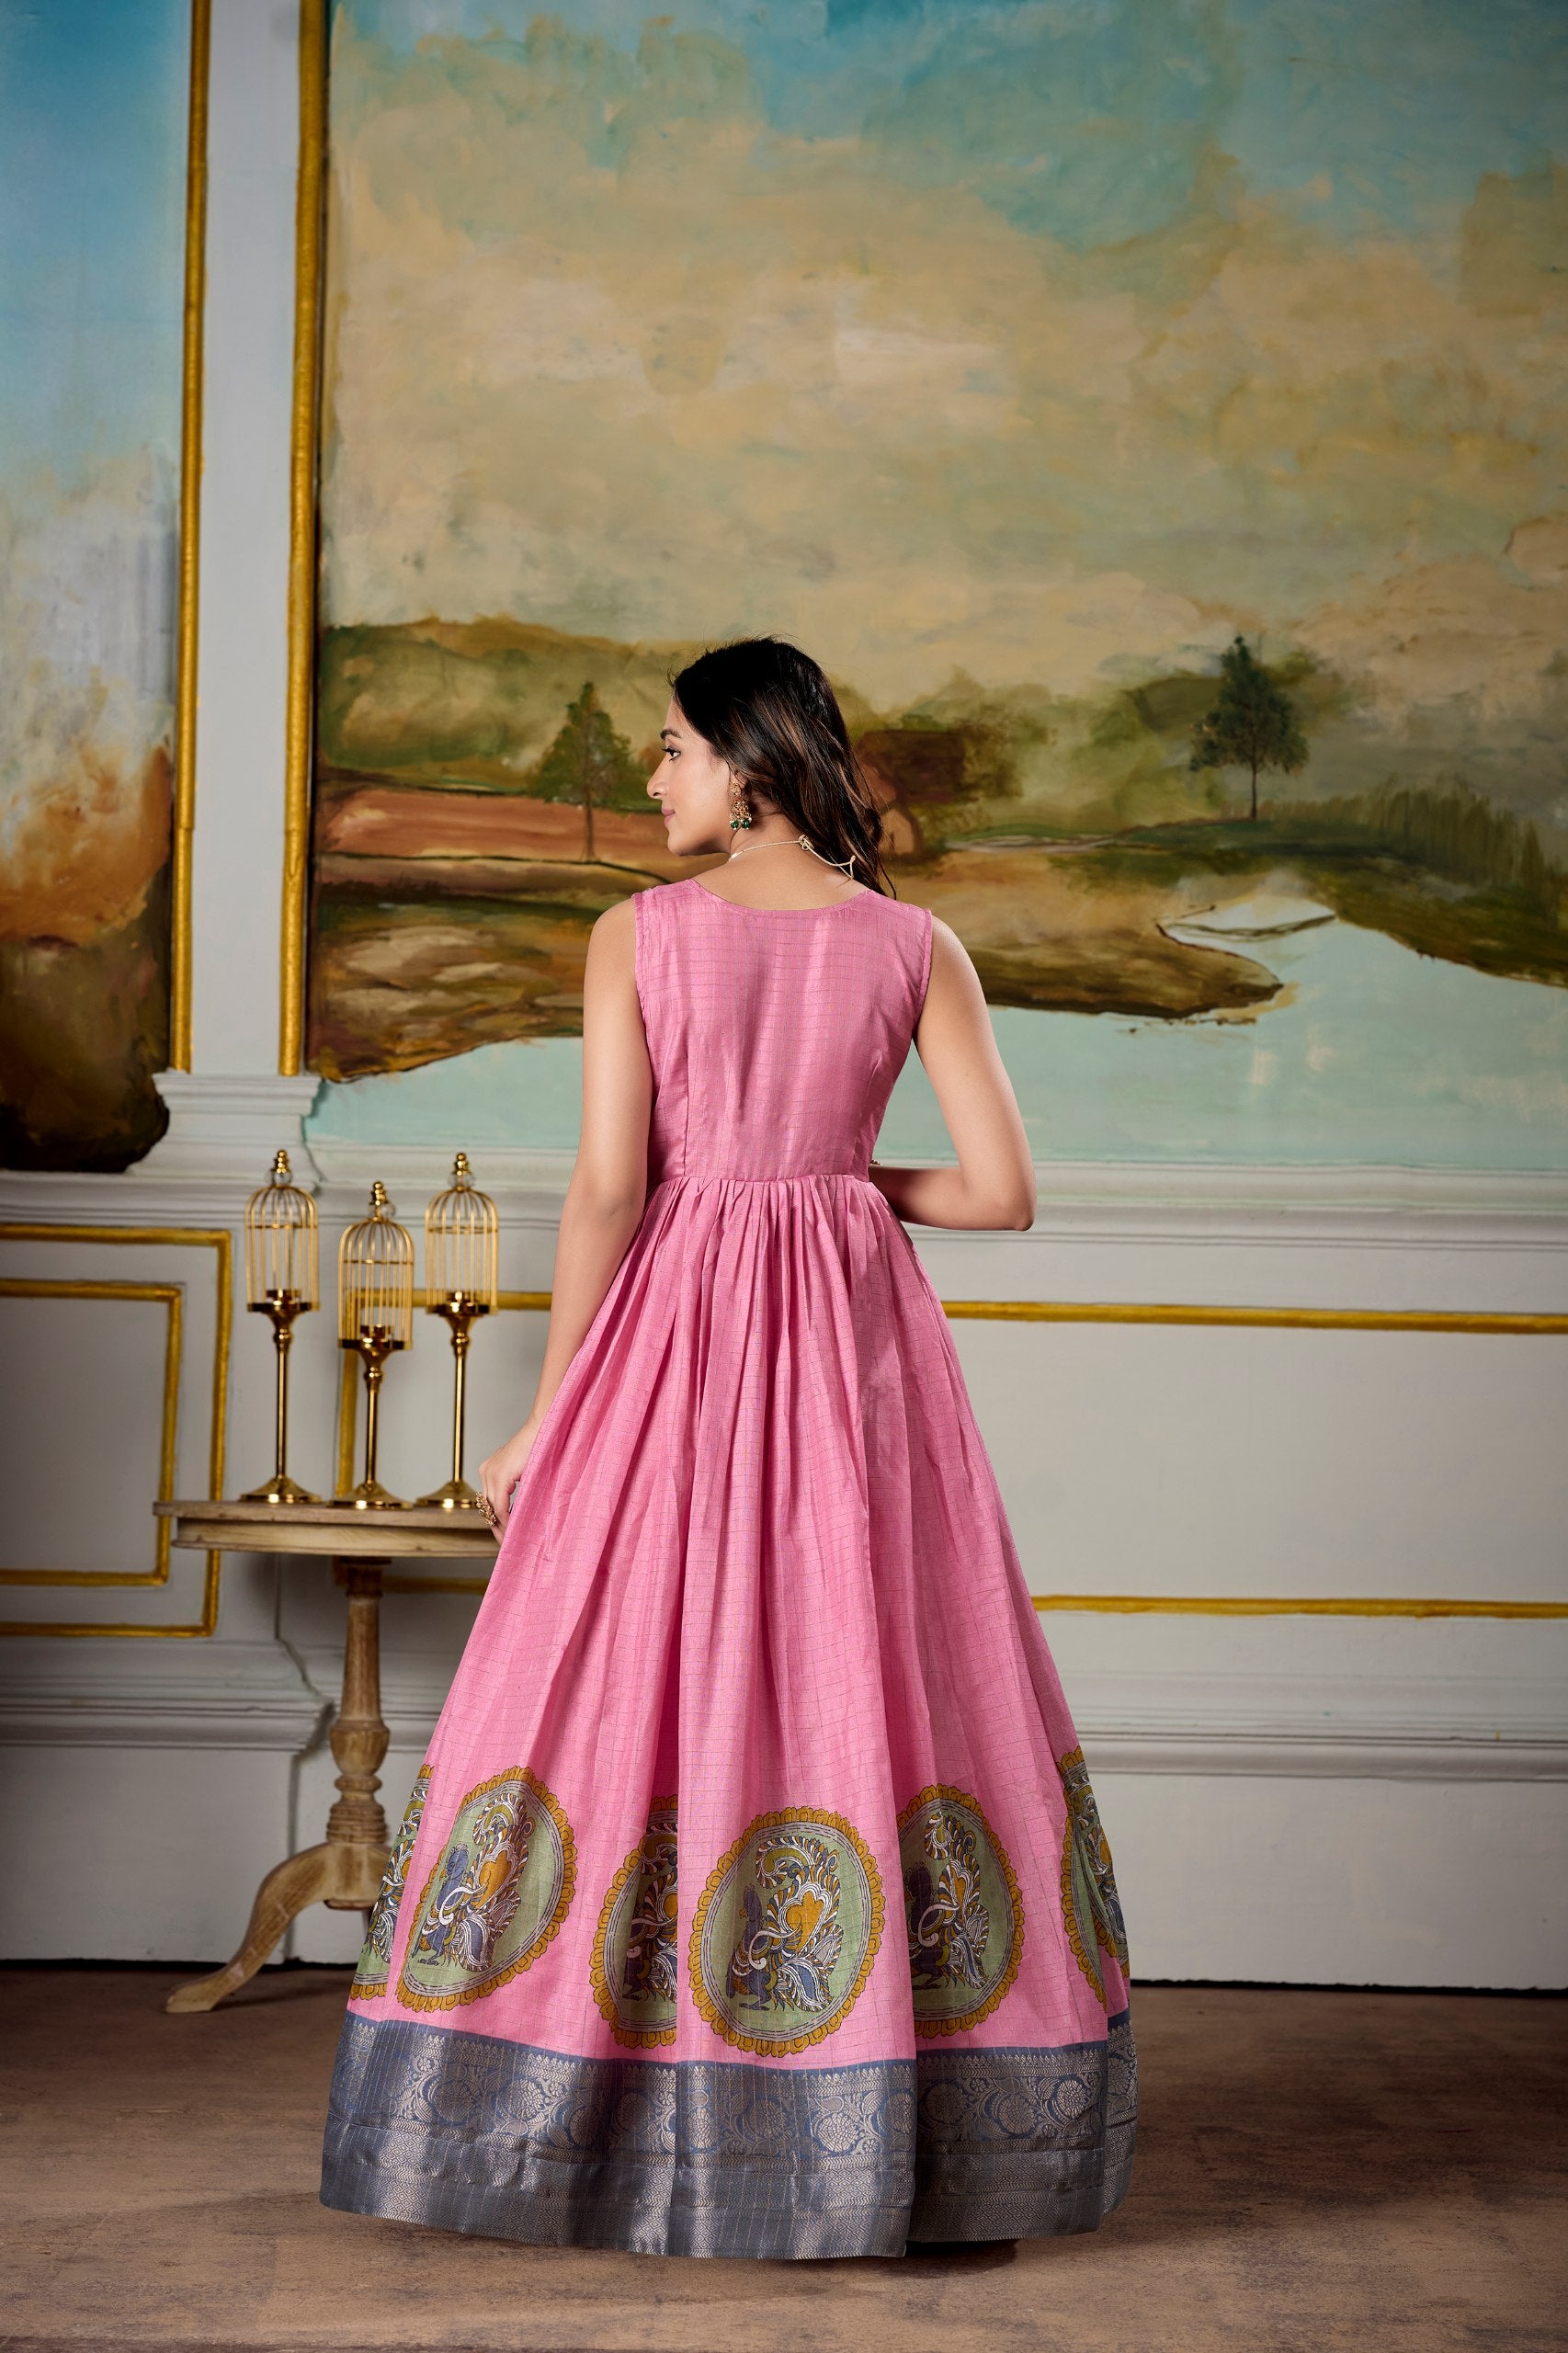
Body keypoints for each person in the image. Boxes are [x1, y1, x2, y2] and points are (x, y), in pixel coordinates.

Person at [319, 637, 1134, 2259]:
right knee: (866, 1671)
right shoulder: (915, 944)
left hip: (672, 1342)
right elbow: (999, 1196)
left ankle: (590, 2120)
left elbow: (610, 1188)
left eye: (673, 749)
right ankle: (879, 2122)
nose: (652, 777)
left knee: (624, 1674)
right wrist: (831, 1178)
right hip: (850, 1352)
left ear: (750, 766)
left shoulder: (641, 933)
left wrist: (548, 1409)